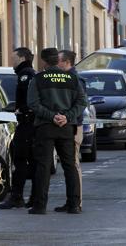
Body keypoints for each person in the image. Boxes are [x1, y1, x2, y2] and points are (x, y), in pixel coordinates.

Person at [27, 48, 87, 215]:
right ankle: (74, 204)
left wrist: (52, 116)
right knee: (70, 166)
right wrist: (66, 117)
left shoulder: (38, 79)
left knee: (43, 166)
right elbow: (82, 102)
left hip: (45, 127)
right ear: (56, 60)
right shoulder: (72, 78)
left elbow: (33, 103)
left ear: (44, 61)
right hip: (66, 127)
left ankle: (40, 205)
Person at [0, 47, 36, 209]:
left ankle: (17, 197)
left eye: (14, 58)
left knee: (21, 160)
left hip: (27, 124)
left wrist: (23, 109)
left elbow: (29, 99)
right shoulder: (25, 73)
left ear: (21, 58)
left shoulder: (26, 75)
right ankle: (31, 197)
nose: (11, 61)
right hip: (28, 124)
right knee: (28, 160)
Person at [57, 49, 87, 212]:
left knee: (73, 165)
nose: (56, 63)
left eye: (59, 60)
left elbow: (80, 105)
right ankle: (71, 201)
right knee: (69, 164)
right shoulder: (65, 77)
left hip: (74, 127)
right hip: (67, 126)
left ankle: (77, 202)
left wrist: (67, 117)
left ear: (67, 62)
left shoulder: (76, 79)